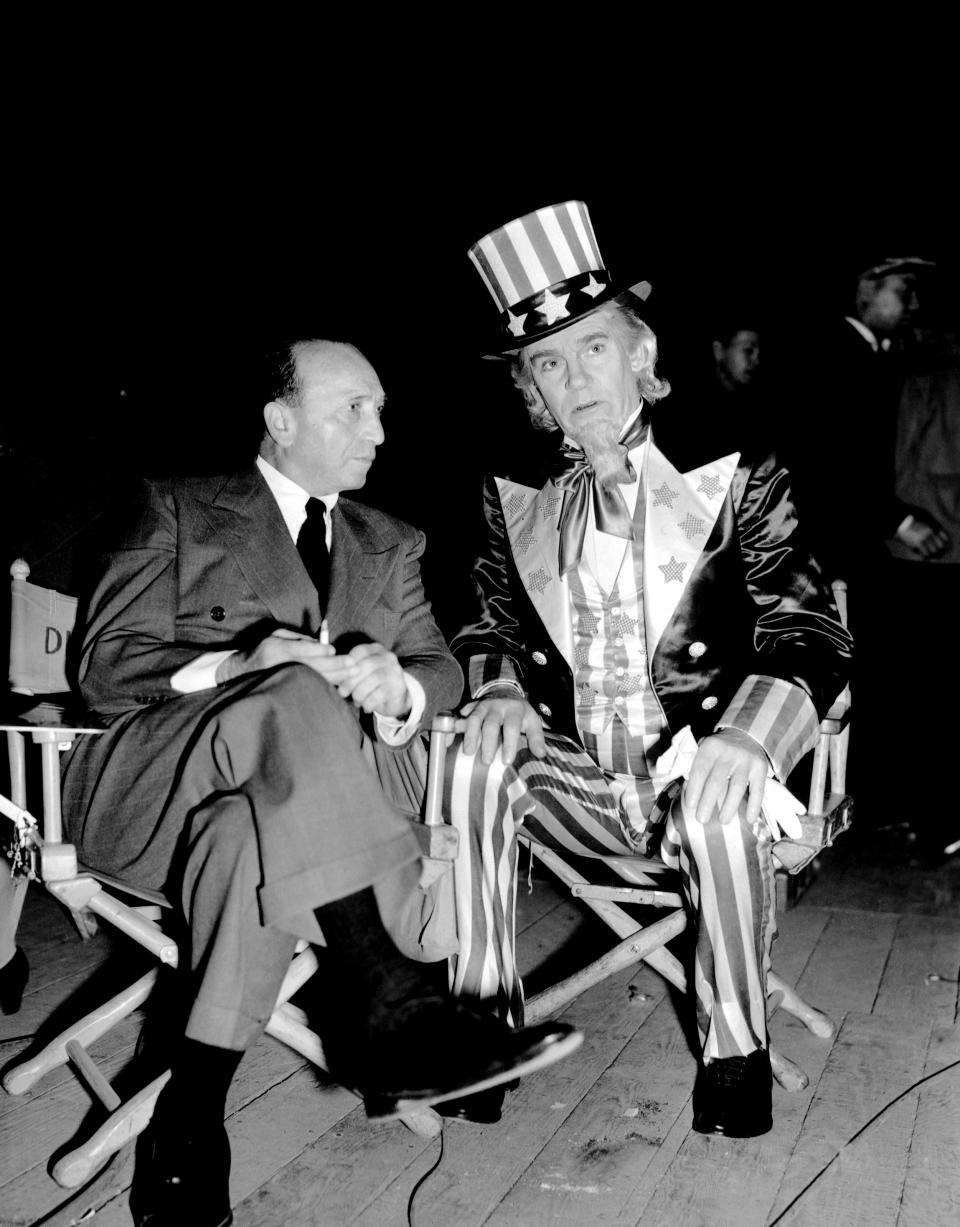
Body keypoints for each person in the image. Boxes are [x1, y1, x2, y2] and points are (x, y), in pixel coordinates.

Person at [56, 338, 581, 1227]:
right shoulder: (179, 507)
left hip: (273, 830)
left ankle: (188, 1119)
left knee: (248, 841)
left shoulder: (391, 541)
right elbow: (105, 666)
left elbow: (440, 669)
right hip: (155, 793)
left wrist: (403, 687)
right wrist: (235, 663)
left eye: (382, 409)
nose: (378, 430)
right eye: (353, 408)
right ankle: (378, 990)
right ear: (280, 418)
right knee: (292, 688)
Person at [442, 202, 851, 1138]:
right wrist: (497, 683)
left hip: (700, 776)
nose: (573, 376)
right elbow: (486, 616)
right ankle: (481, 1030)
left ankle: (735, 1055)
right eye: (549, 362)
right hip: (579, 783)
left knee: (716, 801)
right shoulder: (516, 500)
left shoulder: (739, 470)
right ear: (533, 390)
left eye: (592, 348)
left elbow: (810, 628)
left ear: (639, 353)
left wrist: (749, 736)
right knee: (469, 762)